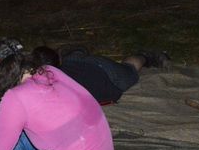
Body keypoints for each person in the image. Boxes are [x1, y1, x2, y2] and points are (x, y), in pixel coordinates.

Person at [30, 45, 170, 105]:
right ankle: (75, 51)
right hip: (91, 68)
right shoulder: (46, 82)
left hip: (107, 76)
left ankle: (146, 56)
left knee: (129, 68)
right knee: (128, 68)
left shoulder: (43, 90)